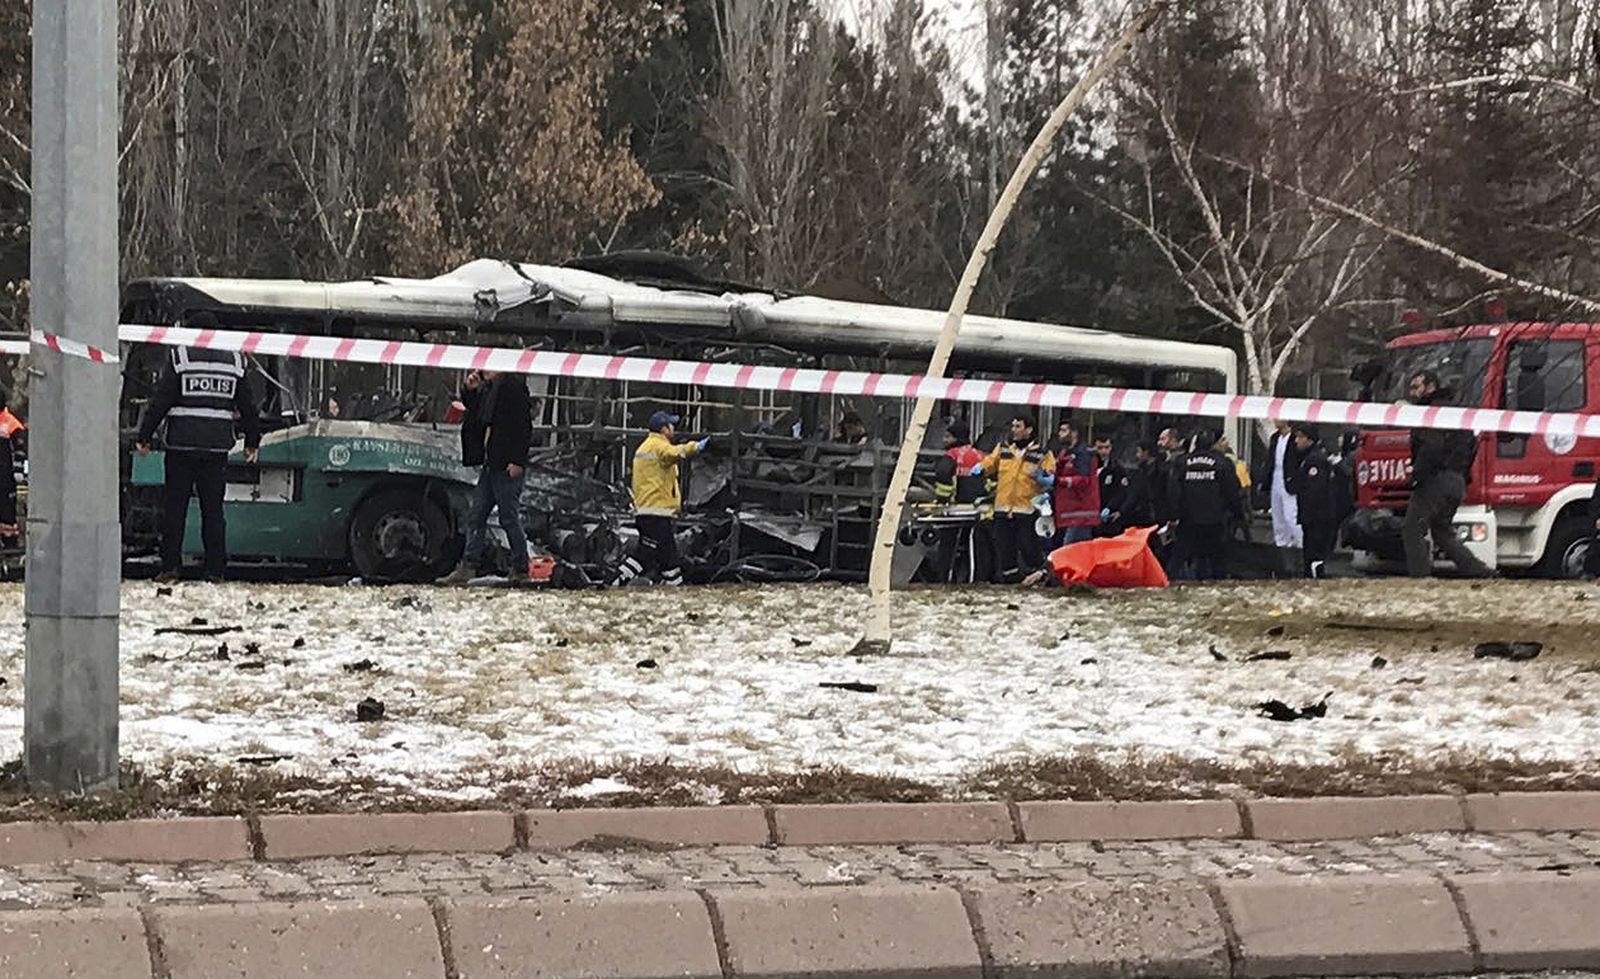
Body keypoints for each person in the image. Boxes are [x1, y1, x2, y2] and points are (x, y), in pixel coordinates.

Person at [135, 315, 261, 582]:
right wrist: (252, 441)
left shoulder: (181, 356)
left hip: (181, 445)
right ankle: (215, 569)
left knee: (175, 509)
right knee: (213, 511)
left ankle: (170, 566)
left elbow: (162, 400)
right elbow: (248, 405)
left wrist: (144, 435)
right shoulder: (236, 360)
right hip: (216, 448)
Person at [440, 368, 533, 583]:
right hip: (492, 462)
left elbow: (523, 427)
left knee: (508, 517)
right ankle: (469, 565)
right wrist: (470, 391)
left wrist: (518, 460)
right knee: (476, 515)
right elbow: (476, 414)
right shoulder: (489, 390)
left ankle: (520, 568)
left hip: (505, 464)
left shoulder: (513, 390)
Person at [1401, 370, 1493, 578]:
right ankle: (1479, 572)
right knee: (1442, 532)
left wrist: (1417, 475)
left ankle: (1420, 577)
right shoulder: (1457, 411)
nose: (1412, 393)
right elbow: (1472, 445)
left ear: (1431, 386)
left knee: (1412, 529)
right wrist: (1462, 475)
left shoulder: (1429, 413)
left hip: (1435, 479)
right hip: (1456, 481)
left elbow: (1431, 447)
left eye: (1416, 387)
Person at [612, 410, 708, 586]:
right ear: (664, 429)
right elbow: (677, 452)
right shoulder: (659, 446)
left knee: (668, 558)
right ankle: (614, 581)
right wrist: (696, 446)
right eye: (671, 425)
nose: (673, 429)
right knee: (645, 555)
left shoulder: (644, 447)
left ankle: (674, 589)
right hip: (657, 513)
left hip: (648, 511)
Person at [973, 413, 1054, 582]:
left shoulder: (1042, 453)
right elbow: (990, 463)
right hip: (1003, 508)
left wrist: (1047, 480)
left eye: (1018, 426)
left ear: (1029, 430)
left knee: (1029, 547)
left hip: (1027, 508)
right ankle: (1011, 580)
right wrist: (981, 468)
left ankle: (1040, 577)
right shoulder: (1003, 449)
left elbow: (1050, 476)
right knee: (1004, 548)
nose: (1014, 430)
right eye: (1013, 426)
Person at [1167, 428, 1245, 581]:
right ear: (1214, 443)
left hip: (1188, 521)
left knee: (1178, 561)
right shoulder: (1223, 463)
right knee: (1217, 564)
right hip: (1214, 521)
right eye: (1222, 441)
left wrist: (1173, 516)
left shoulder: (1182, 462)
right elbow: (1233, 492)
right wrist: (1239, 515)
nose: (1225, 444)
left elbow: (1173, 491)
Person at [930, 421, 988, 583]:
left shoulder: (952, 454)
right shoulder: (981, 455)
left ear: (957, 438)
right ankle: (974, 579)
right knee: (974, 547)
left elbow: (942, 474)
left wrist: (943, 498)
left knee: (948, 546)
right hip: (979, 508)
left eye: (948, 436)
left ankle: (944, 578)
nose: (944, 440)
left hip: (955, 508)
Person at [1287, 424, 1338, 578]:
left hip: (1317, 516)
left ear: (1309, 440)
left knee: (1315, 552)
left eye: (1300, 437)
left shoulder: (1315, 459)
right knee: (1310, 551)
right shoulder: (1307, 458)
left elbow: (1315, 490)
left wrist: (1308, 514)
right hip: (1311, 515)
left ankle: (1316, 577)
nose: (1296, 441)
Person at [1263, 419, 1304, 574]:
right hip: (1276, 479)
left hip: (1289, 480)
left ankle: (1299, 551)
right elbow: (1270, 461)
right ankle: (1284, 560)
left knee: (1291, 517)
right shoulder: (1275, 438)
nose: (1274, 420)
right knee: (1278, 518)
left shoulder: (1294, 439)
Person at [1051, 419, 1099, 546]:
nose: (1060, 433)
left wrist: (1059, 481)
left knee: (1071, 552)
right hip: (1068, 514)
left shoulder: (1083, 454)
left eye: (1064, 430)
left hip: (1080, 514)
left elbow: (1084, 480)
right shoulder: (1065, 453)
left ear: (1074, 433)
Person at [1094, 436, 1130, 535]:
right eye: (1100, 448)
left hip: (1108, 515)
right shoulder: (1088, 466)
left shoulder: (1116, 468)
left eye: (1107, 447)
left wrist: (1110, 507)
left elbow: (1121, 492)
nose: (1104, 451)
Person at [1121, 441, 1161, 529]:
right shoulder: (1141, 470)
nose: (1137, 455)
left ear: (1145, 452)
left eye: (1138, 452)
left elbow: (1137, 491)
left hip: (1150, 511)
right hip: (1142, 510)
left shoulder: (1156, 470)